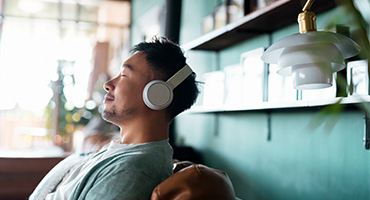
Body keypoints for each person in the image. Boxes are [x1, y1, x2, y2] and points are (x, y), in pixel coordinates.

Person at [30, 37, 199, 200]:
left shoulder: (133, 170)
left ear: (157, 95)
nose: (108, 84)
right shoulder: (121, 150)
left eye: (124, 75)